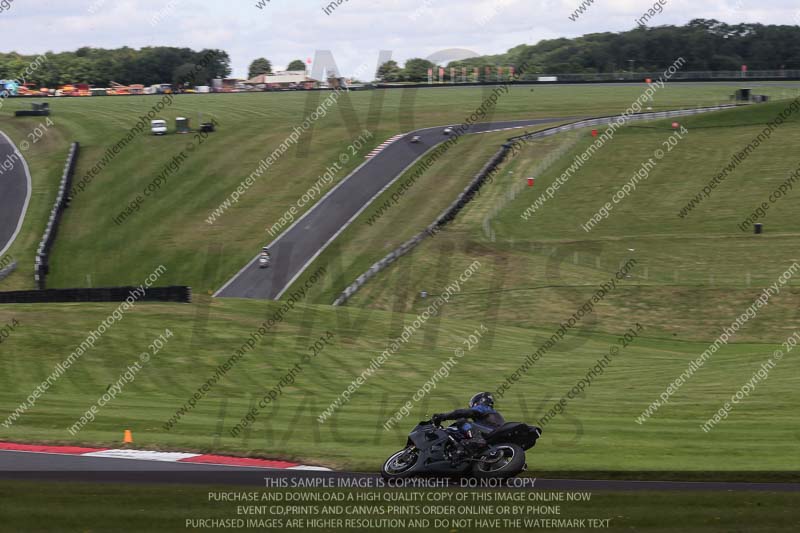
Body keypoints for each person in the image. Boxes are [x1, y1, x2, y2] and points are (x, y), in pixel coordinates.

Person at [432, 392, 505, 459]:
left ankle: (477, 438)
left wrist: (442, 416)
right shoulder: (494, 414)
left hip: (490, 432)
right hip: (494, 438)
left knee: (461, 421)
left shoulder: (483, 407)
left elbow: (460, 413)